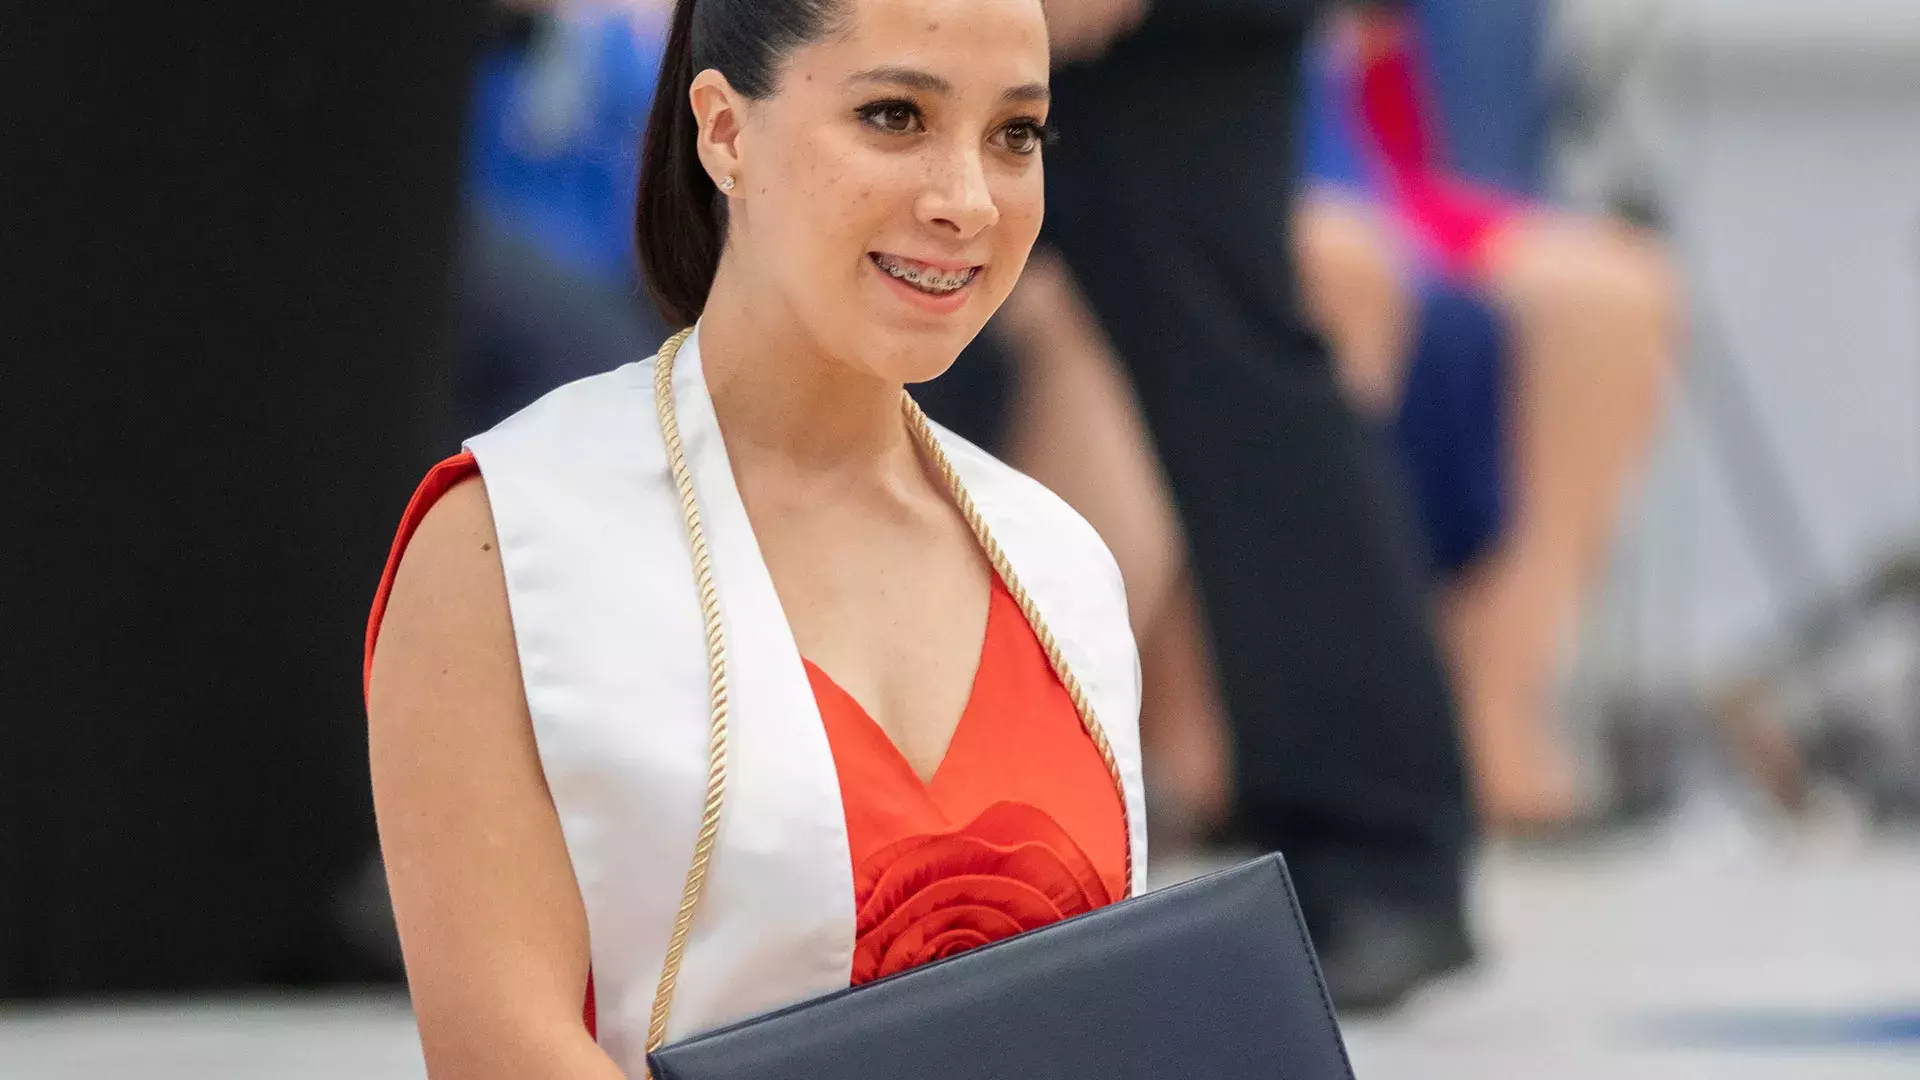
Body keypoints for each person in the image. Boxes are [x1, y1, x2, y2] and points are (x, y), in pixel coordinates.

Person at [366, 0, 1146, 1074]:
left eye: (1015, 134)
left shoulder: (1060, 563)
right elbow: (502, 1048)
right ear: (724, 132)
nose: (967, 200)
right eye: (894, 115)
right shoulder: (508, 541)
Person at [915, 0, 1479, 1012]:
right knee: (874, 368)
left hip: (1165, 39)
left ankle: (1377, 846)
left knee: (1238, 390)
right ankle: (879, 840)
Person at [1297, 5, 1678, 833]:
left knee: (1613, 292)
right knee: (1343, 274)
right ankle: (1273, 729)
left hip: (1399, 172)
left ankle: (1493, 713)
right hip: (1270, 164)